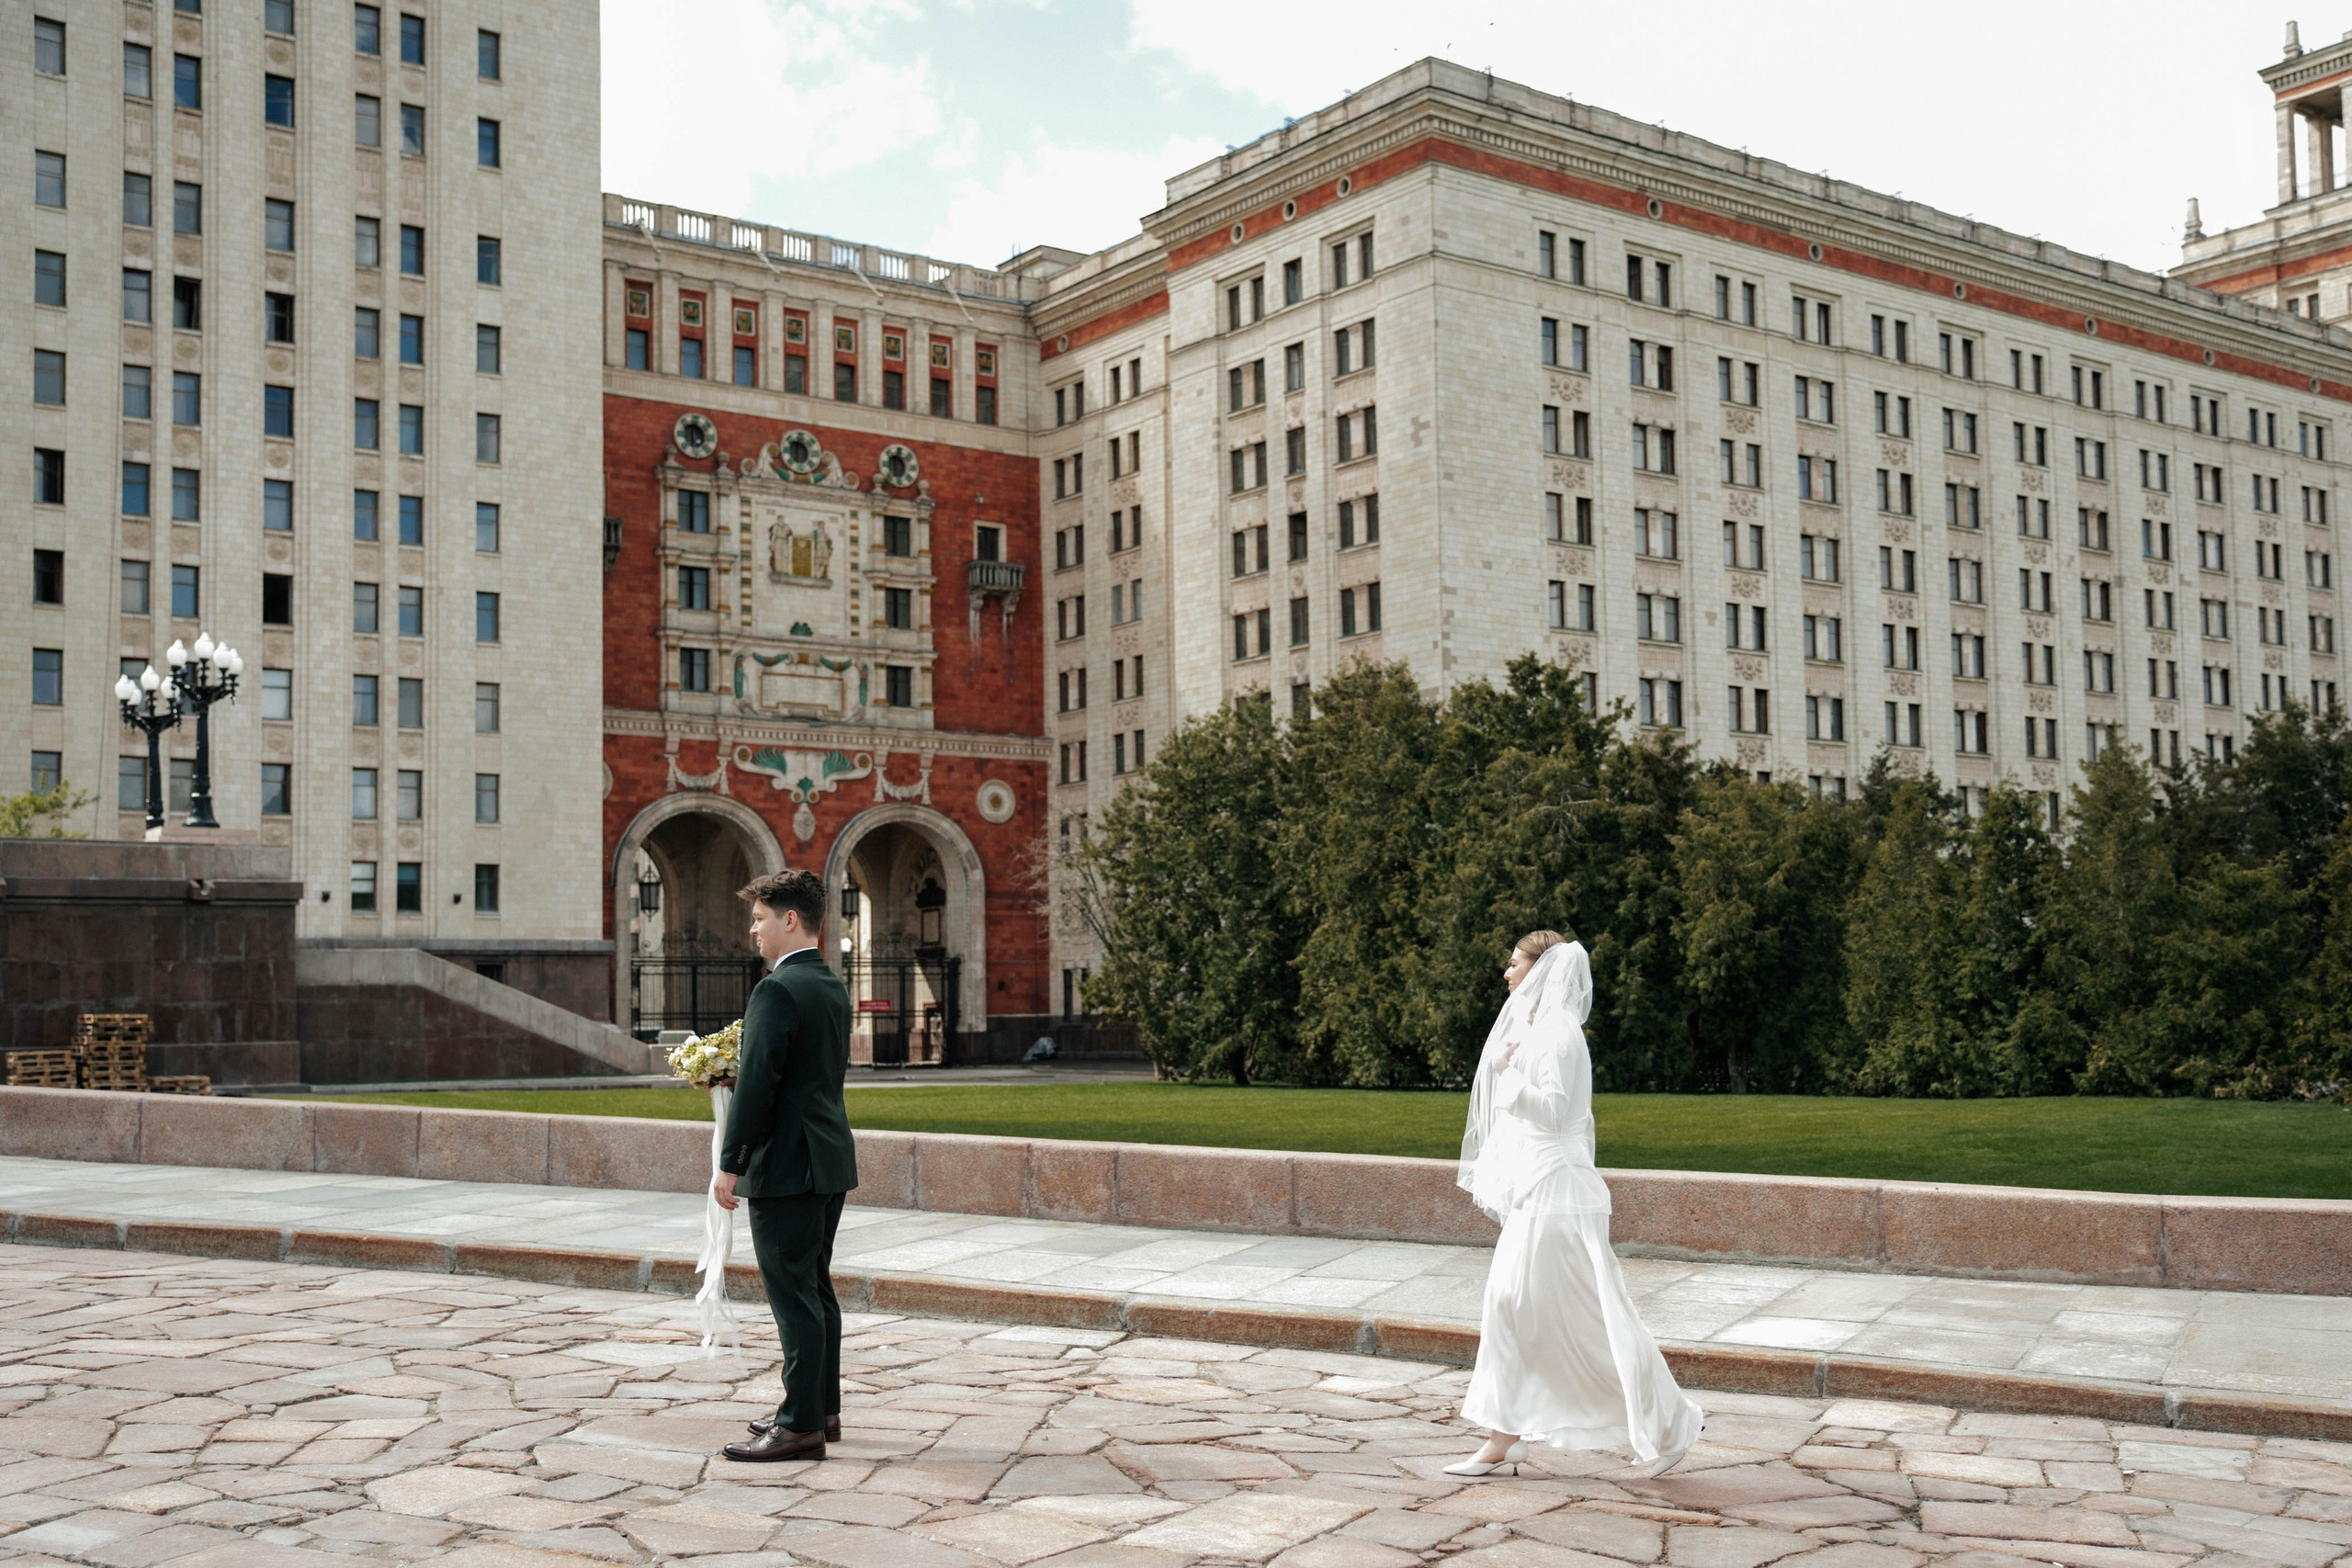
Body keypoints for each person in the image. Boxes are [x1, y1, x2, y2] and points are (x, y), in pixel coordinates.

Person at [1447, 931, 1702, 1480]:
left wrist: (1505, 1074)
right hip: (1538, 1188)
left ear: (1540, 970)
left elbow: (1554, 1112)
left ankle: (1670, 1425)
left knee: (1585, 1311)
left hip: (1559, 1190)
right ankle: (1504, 1438)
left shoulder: (1559, 1033)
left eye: (1514, 963)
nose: (1506, 973)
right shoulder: (1539, 1029)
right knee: (1510, 1304)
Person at [712, 869, 857, 1462]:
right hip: (828, 1158)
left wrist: (730, 1163)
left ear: (789, 919)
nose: (753, 929)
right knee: (815, 1289)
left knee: (794, 1296)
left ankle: (799, 1425)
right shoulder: (831, 986)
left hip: (788, 1166)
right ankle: (822, 1409)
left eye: (759, 918)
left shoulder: (775, 990)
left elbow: (758, 1085)